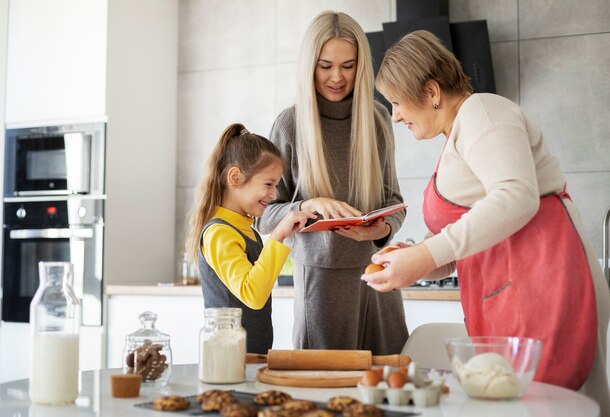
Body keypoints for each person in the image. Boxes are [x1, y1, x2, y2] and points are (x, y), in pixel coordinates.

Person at [365, 29, 610, 412]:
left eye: (397, 103)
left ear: (431, 93)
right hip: (520, 288)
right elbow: (470, 231)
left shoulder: (482, 112)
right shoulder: (460, 131)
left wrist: (428, 254)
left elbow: (516, 195)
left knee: (553, 407)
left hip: (547, 281)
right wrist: (415, 258)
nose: (394, 116)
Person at [256, 11, 408, 355]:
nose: (337, 77)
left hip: (378, 274)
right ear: (310, 65)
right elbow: (263, 215)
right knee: (325, 397)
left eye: (348, 65)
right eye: (325, 65)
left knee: (387, 392)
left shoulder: (378, 118)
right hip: (320, 285)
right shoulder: (290, 124)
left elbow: (394, 199)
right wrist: (306, 206)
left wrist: (380, 231)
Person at [185, 123, 315, 354]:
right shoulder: (219, 233)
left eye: (276, 185)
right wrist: (279, 234)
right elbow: (252, 295)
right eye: (268, 184)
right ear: (235, 177)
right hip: (228, 358)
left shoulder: (245, 229)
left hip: (250, 355)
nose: (274, 195)